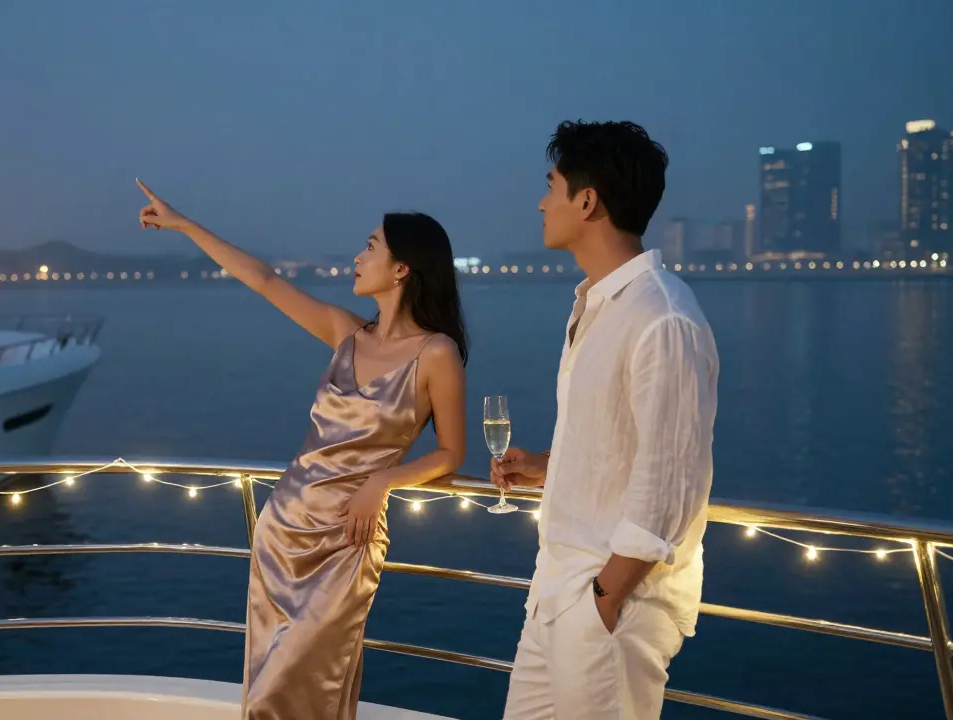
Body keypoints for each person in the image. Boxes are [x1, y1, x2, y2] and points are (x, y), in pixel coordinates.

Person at [135, 179, 468, 719]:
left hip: (346, 538)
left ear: (402, 267)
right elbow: (263, 280)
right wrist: (184, 224)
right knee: (268, 685)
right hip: (282, 529)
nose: (358, 258)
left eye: (370, 247)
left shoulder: (436, 353)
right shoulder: (345, 333)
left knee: (304, 684)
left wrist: (382, 482)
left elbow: (451, 453)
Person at [494, 121, 719, 719]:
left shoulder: (661, 317)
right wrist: (551, 466)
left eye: (553, 186)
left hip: (606, 602)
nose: (543, 202)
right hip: (556, 587)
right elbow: (622, 442)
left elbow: (671, 478)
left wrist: (605, 598)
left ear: (587, 200)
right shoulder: (595, 304)